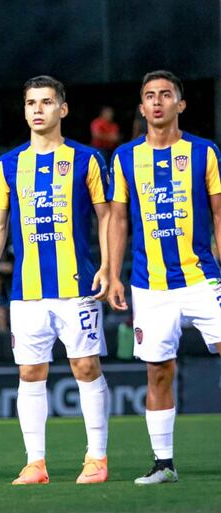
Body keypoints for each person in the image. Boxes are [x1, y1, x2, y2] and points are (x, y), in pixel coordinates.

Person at [0, 76, 111, 485]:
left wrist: (107, 266)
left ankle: (97, 458)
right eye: (31, 102)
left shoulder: (87, 160)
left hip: (77, 285)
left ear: (62, 109)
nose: (38, 109)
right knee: (30, 374)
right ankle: (36, 463)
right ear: (24, 110)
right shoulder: (10, 164)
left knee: (85, 366)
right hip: (27, 291)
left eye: (47, 102)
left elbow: (108, 217)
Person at [107, 70, 221, 485]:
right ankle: (163, 463)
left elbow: (219, 215)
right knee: (158, 370)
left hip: (201, 278)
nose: (157, 102)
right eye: (149, 96)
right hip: (149, 284)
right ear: (141, 108)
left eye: (165, 95)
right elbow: (117, 220)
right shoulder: (124, 157)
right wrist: (112, 273)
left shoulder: (204, 153)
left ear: (180, 104)